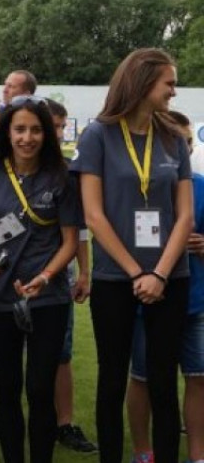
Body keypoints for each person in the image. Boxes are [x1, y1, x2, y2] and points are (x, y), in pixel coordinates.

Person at [71, 48, 191, 463]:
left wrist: (157, 273)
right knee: (111, 379)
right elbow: (93, 214)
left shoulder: (174, 138)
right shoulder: (97, 135)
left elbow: (185, 215)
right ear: (142, 84)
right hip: (113, 278)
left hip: (169, 278)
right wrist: (135, 271)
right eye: (169, 83)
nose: (174, 91)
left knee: (162, 382)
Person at [0, 98, 82, 463]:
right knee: (7, 389)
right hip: (1, 297)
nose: (27, 137)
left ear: (46, 133)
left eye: (35, 129)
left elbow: (69, 241)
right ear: (8, 131)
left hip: (48, 298)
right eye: (20, 129)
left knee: (39, 388)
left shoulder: (60, 176)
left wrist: (47, 277)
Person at [126, 110, 204, 463]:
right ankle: (145, 452)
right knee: (142, 378)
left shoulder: (201, 186)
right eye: (177, 144)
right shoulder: (138, 184)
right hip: (148, 299)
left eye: (188, 143)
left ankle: (198, 455)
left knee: (198, 377)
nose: (183, 151)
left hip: (195, 301)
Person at [45, 100, 98, 453]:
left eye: (63, 127)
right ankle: (4, 420)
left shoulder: (67, 173)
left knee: (60, 354)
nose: (59, 133)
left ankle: (63, 424)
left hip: (57, 279)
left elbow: (79, 230)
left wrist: (84, 272)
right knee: (12, 352)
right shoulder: (2, 169)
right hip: (10, 279)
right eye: (55, 126)